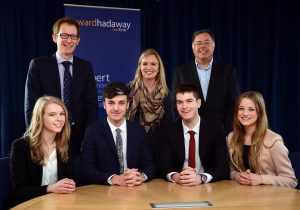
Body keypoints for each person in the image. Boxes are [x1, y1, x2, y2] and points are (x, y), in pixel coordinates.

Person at [24, 17, 98, 158]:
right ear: (54, 37)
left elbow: (92, 106)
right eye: (64, 35)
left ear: (78, 40)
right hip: (48, 135)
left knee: (76, 178)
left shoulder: (86, 67)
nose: (68, 40)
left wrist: (88, 137)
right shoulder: (38, 66)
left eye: (73, 36)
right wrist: (35, 135)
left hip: (77, 136)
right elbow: (31, 106)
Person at [81, 82, 155, 186]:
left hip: (134, 189)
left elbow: (149, 164)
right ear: (104, 104)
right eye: (111, 103)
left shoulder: (138, 130)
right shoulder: (93, 131)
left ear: (128, 105)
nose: (116, 108)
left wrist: (141, 176)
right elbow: (86, 169)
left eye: (121, 103)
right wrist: (113, 179)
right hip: (104, 192)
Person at [8, 96, 75, 209]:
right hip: (26, 204)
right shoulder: (21, 146)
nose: (59, 119)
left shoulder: (65, 146)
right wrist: (51, 188)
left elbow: (69, 179)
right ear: (40, 117)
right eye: (52, 115)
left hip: (57, 203)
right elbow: (20, 191)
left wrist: (69, 185)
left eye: (62, 114)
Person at [172, 29, 239, 135]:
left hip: (220, 133)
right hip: (191, 134)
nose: (202, 46)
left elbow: (233, 104)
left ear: (213, 46)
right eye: (198, 43)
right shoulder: (181, 72)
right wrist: (184, 132)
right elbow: (176, 105)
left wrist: (226, 131)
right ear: (193, 48)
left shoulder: (227, 72)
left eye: (206, 42)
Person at [159, 84, 229, 186]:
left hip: (207, 186)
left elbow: (222, 167)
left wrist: (201, 178)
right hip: (178, 186)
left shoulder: (215, 129)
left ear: (198, 103)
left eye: (189, 101)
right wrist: (176, 176)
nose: (184, 106)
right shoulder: (168, 131)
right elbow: (163, 164)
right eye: (180, 102)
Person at [227, 91, 298, 188]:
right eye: (241, 109)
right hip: (243, 195)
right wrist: (237, 176)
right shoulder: (231, 137)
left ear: (259, 113)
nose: (245, 113)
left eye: (251, 109)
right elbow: (230, 171)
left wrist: (261, 179)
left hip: (269, 199)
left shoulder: (274, 141)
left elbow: (291, 181)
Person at [127, 48, 173, 175]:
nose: (149, 67)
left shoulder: (166, 94)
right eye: (145, 63)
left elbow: (169, 124)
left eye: (153, 64)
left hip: (159, 145)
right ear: (139, 67)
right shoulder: (129, 90)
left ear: (159, 69)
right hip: (134, 143)